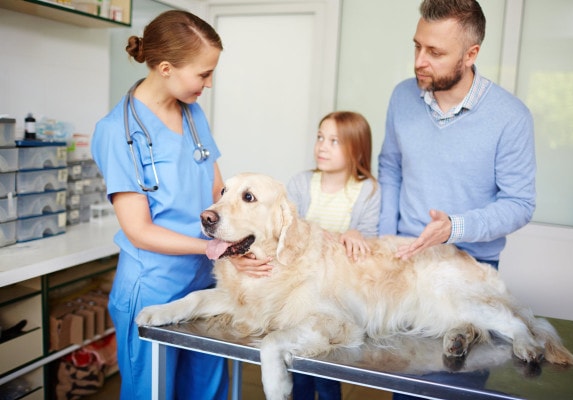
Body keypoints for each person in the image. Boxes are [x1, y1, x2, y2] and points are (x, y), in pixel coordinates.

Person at [91, 10, 269, 399]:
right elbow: (139, 230)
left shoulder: (192, 115)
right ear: (167, 68)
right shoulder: (116, 132)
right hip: (153, 287)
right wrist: (212, 247)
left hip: (204, 285)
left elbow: (217, 192)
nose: (208, 84)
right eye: (203, 75)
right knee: (153, 392)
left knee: (206, 390)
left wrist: (239, 244)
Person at [378, 0, 536, 271]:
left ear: (470, 55)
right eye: (417, 46)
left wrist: (454, 228)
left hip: (473, 262)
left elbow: (519, 204)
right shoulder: (402, 96)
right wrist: (383, 241)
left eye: (435, 53)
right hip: (402, 253)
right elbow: (391, 169)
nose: (419, 62)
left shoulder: (512, 117)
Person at [287, 111, 381, 400]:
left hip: (335, 294)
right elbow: (288, 229)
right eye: (319, 137)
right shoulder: (301, 183)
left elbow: (367, 238)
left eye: (334, 141)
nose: (322, 146)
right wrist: (322, 234)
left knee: (327, 368)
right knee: (298, 364)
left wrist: (356, 234)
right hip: (301, 291)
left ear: (356, 148)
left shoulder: (367, 190)